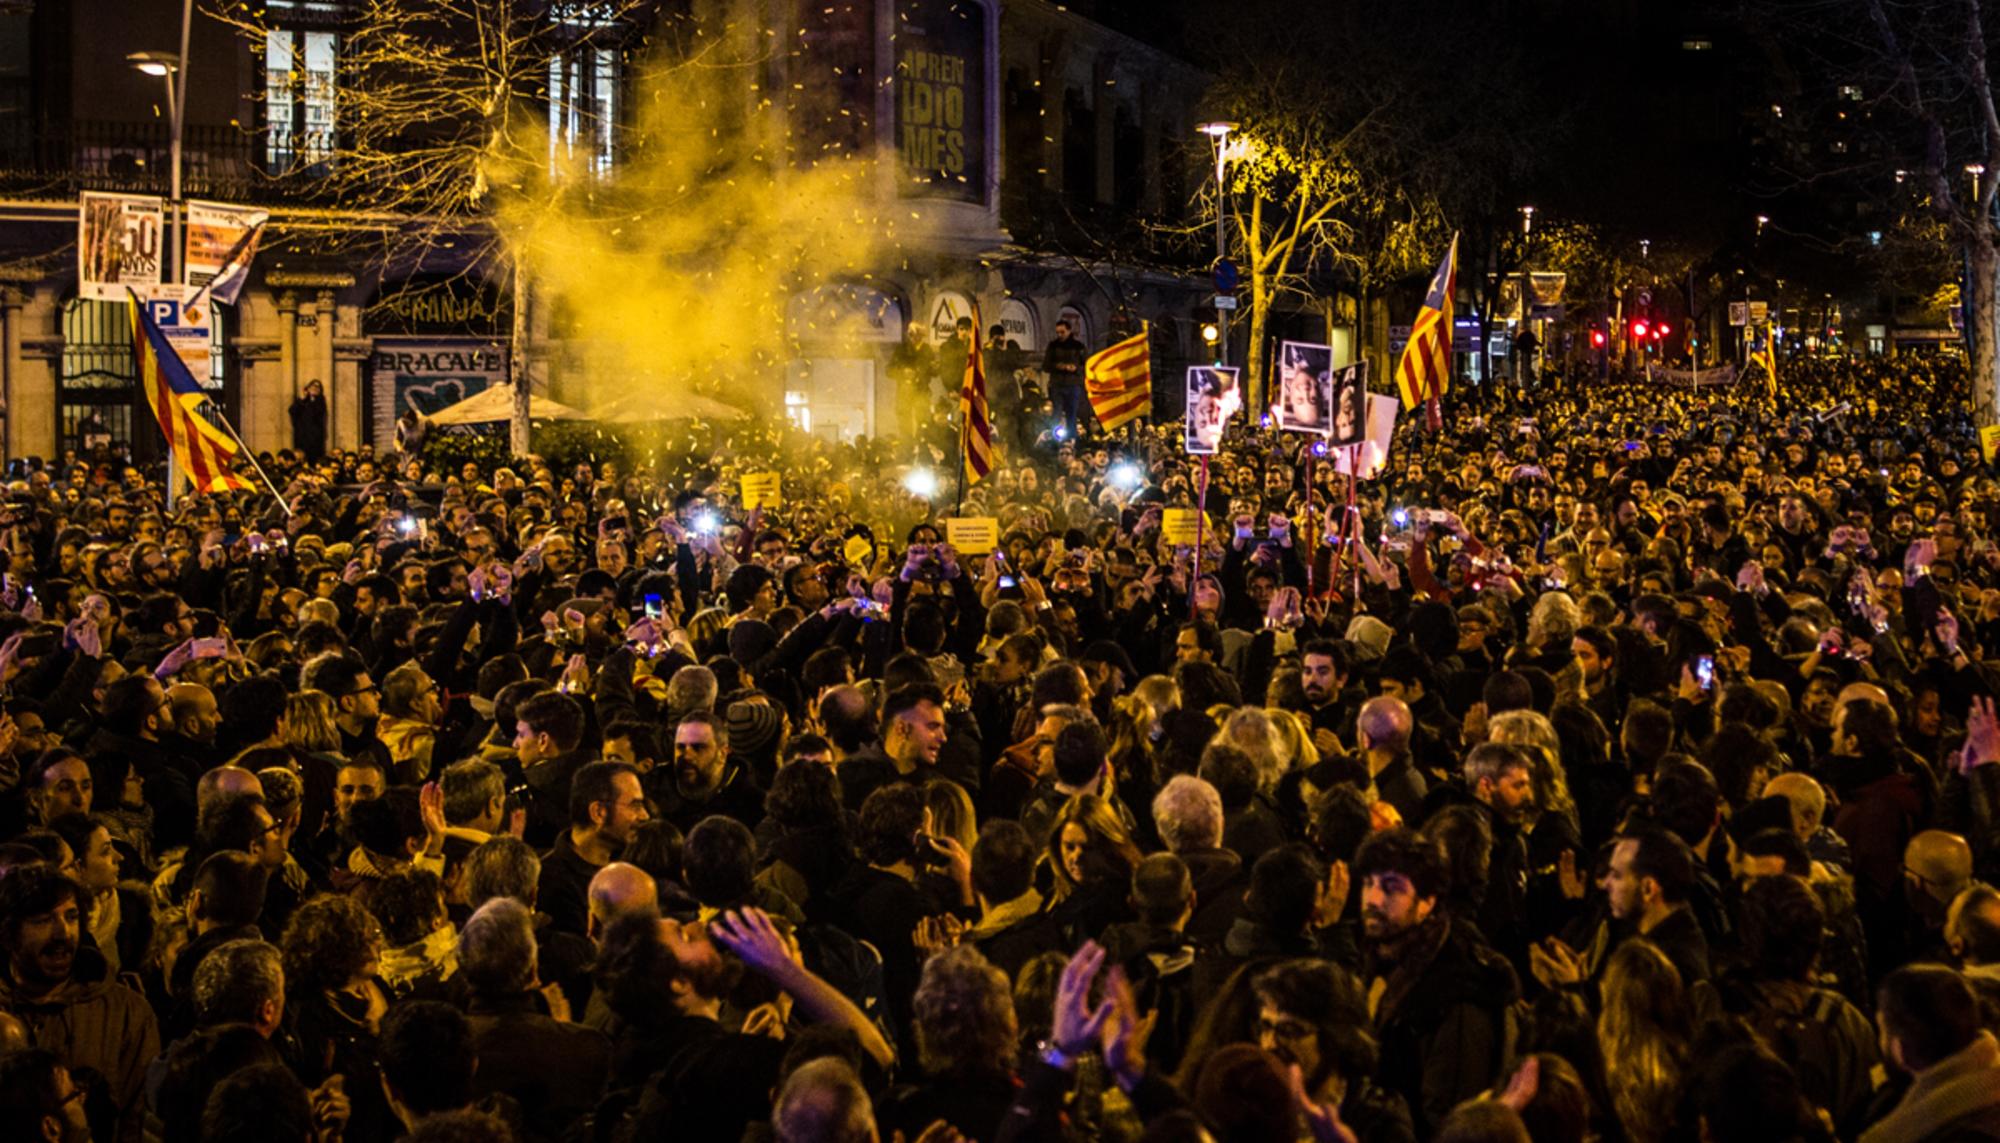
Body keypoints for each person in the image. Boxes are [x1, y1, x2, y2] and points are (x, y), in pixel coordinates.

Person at [1042, 319, 1088, 441]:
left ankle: (1071, 439)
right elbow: (1046, 365)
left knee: (1071, 414)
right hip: (1057, 384)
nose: (1060, 335)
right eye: (1058, 332)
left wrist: (1076, 368)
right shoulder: (1053, 346)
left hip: (1073, 385)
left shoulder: (1078, 347)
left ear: (1069, 331)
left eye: (1062, 332)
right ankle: (1055, 438)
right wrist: (1059, 366)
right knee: (1056, 413)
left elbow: (1086, 365)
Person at [288, 380, 328, 464]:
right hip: (302, 436)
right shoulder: (302, 401)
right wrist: (302, 400)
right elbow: (292, 411)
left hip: (315, 438)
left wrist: (313, 399)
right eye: (312, 387)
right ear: (308, 388)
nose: (314, 389)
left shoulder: (320, 402)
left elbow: (316, 414)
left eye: (317, 387)